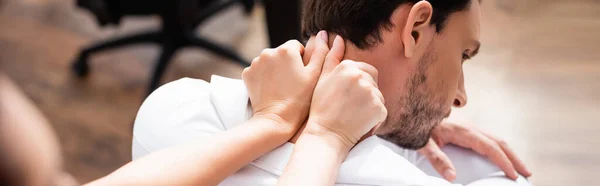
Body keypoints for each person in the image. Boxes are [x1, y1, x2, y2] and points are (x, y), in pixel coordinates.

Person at [133, 0, 533, 185]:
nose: (461, 95)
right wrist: (327, 136)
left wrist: (401, 131)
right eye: (463, 55)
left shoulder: (169, 112)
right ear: (415, 28)